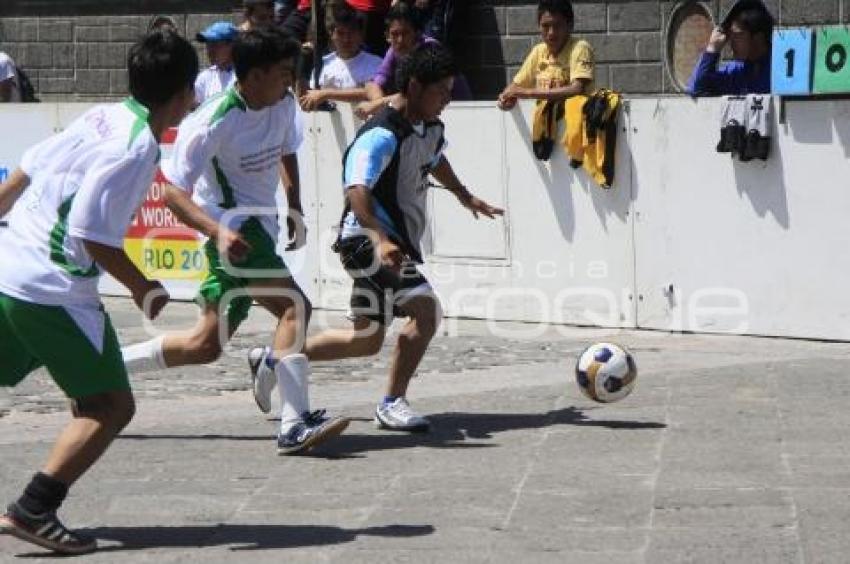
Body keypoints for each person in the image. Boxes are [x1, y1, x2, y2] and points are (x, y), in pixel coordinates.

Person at [0, 30, 198, 555]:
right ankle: (34, 508)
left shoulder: (100, 115)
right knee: (109, 404)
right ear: (184, 94)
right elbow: (91, 232)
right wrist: (144, 288)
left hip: (10, 268)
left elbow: (27, 167)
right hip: (52, 289)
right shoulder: (137, 146)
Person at [121, 28, 349, 455]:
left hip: (258, 230)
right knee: (294, 308)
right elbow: (171, 191)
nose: (291, 83)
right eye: (283, 73)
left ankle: (111, 365)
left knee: (204, 345)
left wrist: (294, 203)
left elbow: (286, 149)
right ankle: (294, 422)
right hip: (233, 233)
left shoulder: (282, 103)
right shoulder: (210, 121)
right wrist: (217, 231)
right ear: (256, 74)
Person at [253, 43, 503, 432]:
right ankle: (391, 402)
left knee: (365, 340)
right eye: (442, 91)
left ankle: (275, 358)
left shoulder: (429, 127)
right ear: (417, 87)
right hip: (365, 241)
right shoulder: (381, 133)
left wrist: (464, 194)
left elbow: (434, 159)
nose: (447, 100)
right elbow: (357, 189)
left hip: (381, 243)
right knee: (425, 311)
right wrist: (381, 239)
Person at [357, 1, 469, 118]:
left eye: (405, 33)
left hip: (458, 109)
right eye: (395, 34)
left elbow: (415, 93)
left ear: (417, 33)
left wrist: (376, 105)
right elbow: (373, 85)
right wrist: (380, 107)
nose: (400, 40)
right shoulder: (395, 50)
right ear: (387, 36)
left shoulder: (430, 49)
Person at [497, 0, 594, 110]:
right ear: (539, 26)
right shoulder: (538, 51)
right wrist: (506, 98)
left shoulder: (580, 48)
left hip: (576, 124)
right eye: (545, 26)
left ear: (570, 25)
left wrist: (528, 93)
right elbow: (516, 87)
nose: (551, 32)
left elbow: (577, 89)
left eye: (557, 25)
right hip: (544, 125)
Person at [299, 2, 383, 111]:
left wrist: (326, 94)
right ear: (331, 34)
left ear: (361, 34)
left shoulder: (376, 64)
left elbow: (372, 94)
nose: (346, 39)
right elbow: (311, 97)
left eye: (351, 33)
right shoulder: (322, 65)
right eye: (340, 33)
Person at [686, 0, 773, 96]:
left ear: (758, 37)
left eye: (737, 35)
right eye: (730, 35)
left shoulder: (780, 69)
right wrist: (712, 49)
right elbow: (695, 89)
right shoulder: (735, 71)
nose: (731, 42)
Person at [194, 22, 239, 105]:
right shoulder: (205, 77)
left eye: (215, 45)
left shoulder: (244, 76)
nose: (209, 51)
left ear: (232, 45)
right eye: (208, 45)